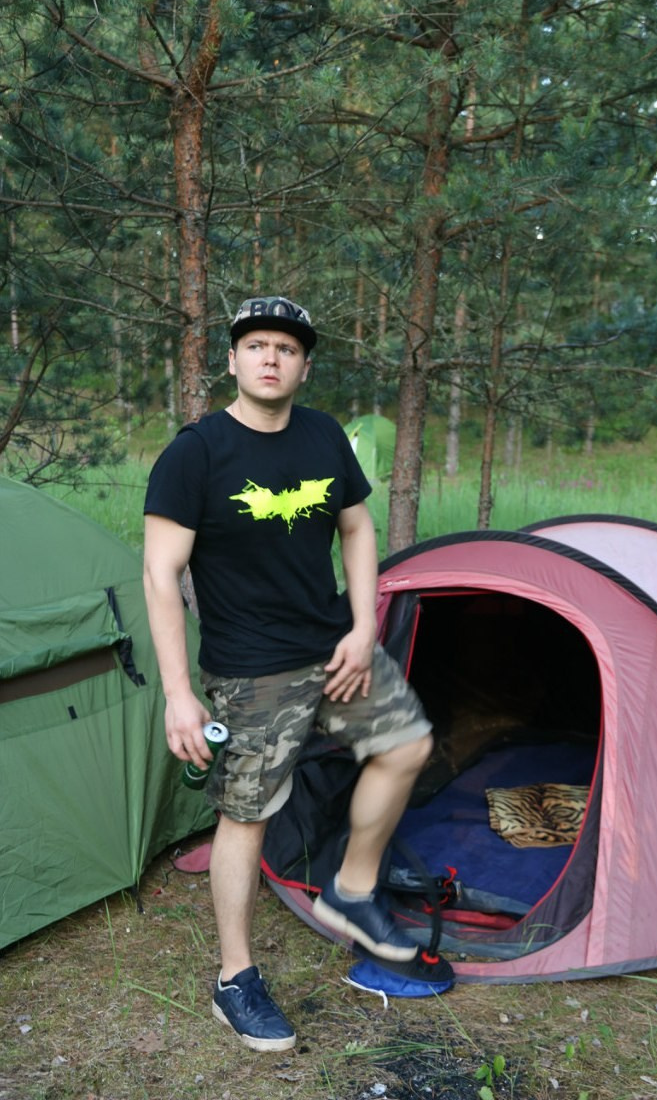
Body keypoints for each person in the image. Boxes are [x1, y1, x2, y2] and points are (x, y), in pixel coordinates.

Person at [143, 296, 433, 1053]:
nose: (270, 357)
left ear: (303, 366)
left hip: (333, 648)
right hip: (251, 671)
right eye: (256, 345)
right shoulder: (197, 453)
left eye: (287, 348)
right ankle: (234, 979)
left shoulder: (323, 435)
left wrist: (364, 626)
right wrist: (178, 694)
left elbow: (357, 526)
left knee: (405, 745)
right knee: (248, 815)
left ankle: (353, 888)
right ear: (232, 360)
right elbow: (160, 573)